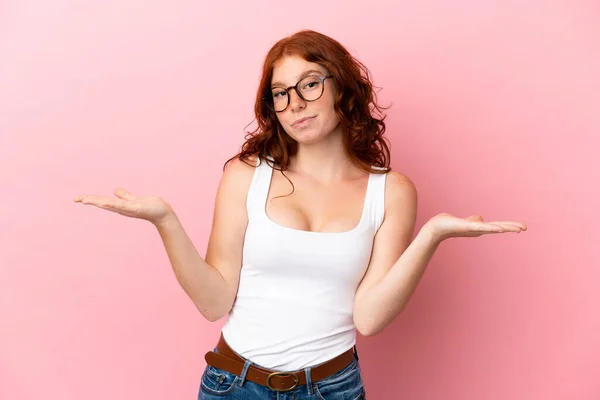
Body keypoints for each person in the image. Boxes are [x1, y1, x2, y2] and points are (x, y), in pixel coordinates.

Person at [74, 30, 527, 399]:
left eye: (309, 83)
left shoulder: (391, 191)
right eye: (280, 93)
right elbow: (213, 302)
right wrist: (165, 221)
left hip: (332, 388)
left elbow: (368, 319)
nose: (295, 103)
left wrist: (431, 236)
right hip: (235, 386)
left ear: (341, 87)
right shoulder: (245, 176)